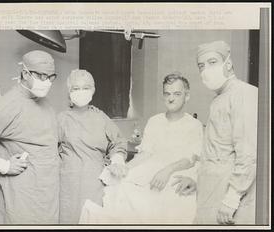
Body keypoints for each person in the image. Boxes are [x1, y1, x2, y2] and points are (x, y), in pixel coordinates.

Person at [79, 72, 203, 224]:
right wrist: (123, 167)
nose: (171, 98)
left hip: (176, 173)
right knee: (120, 187)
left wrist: (167, 170)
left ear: (187, 96)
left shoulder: (194, 125)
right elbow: (145, 154)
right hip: (151, 171)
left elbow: (191, 159)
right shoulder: (155, 121)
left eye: (177, 94)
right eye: (167, 94)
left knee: (163, 206)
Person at [175, 40, 258, 225]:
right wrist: (198, 179)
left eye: (212, 62)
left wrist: (231, 199)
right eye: (201, 66)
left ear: (228, 64)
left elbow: (249, 154)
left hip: (230, 197)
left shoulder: (244, 94)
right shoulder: (220, 99)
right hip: (211, 191)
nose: (205, 70)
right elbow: (216, 151)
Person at [0, 50, 60, 224]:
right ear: (25, 73)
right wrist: (3, 165)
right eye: (42, 76)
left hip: (48, 195)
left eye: (51, 77)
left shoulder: (44, 102)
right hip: (21, 197)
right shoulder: (7, 105)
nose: (47, 82)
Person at [58, 69, 128, 224]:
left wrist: (117, 160)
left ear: (93, 90)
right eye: (76, 88)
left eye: (86, 88)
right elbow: (48, 149)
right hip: (68, 185)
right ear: (69, 91)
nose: (81, 92)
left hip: (95, 184)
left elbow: (118, 141)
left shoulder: (100, 117)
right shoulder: (61, 119)